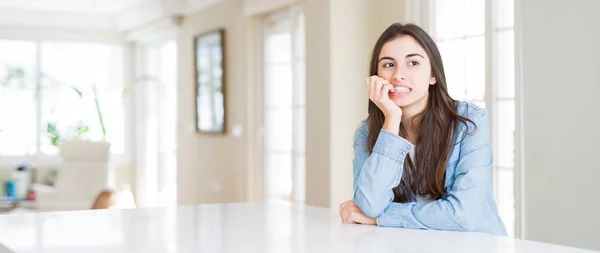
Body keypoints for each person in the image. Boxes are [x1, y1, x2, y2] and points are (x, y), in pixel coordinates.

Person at [338, 23, 507, 236]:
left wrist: (382, 218)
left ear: (433, 75)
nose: (398, 75)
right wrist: (391, 119)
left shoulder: (469, 122)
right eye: (388, 65)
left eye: (413, 62)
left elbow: (464, 215)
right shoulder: (366, 133)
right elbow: (369, 204)